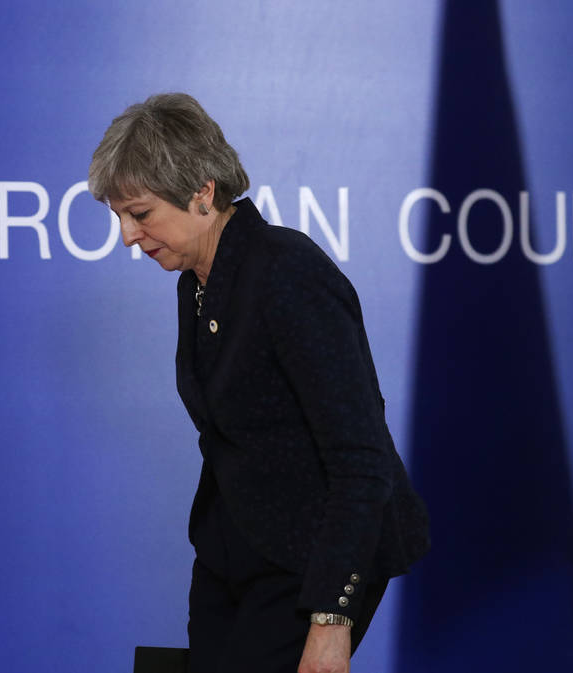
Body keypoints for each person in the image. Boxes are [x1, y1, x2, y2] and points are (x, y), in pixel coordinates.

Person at [88, 93, 430, 673]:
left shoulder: (287, 273)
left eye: (140, 214)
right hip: (233, 558)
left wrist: (331, 617)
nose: (125, 235)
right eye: (119, 215)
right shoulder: (197, 278)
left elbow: (360, 456)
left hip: (312, 566)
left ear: (203, 192)